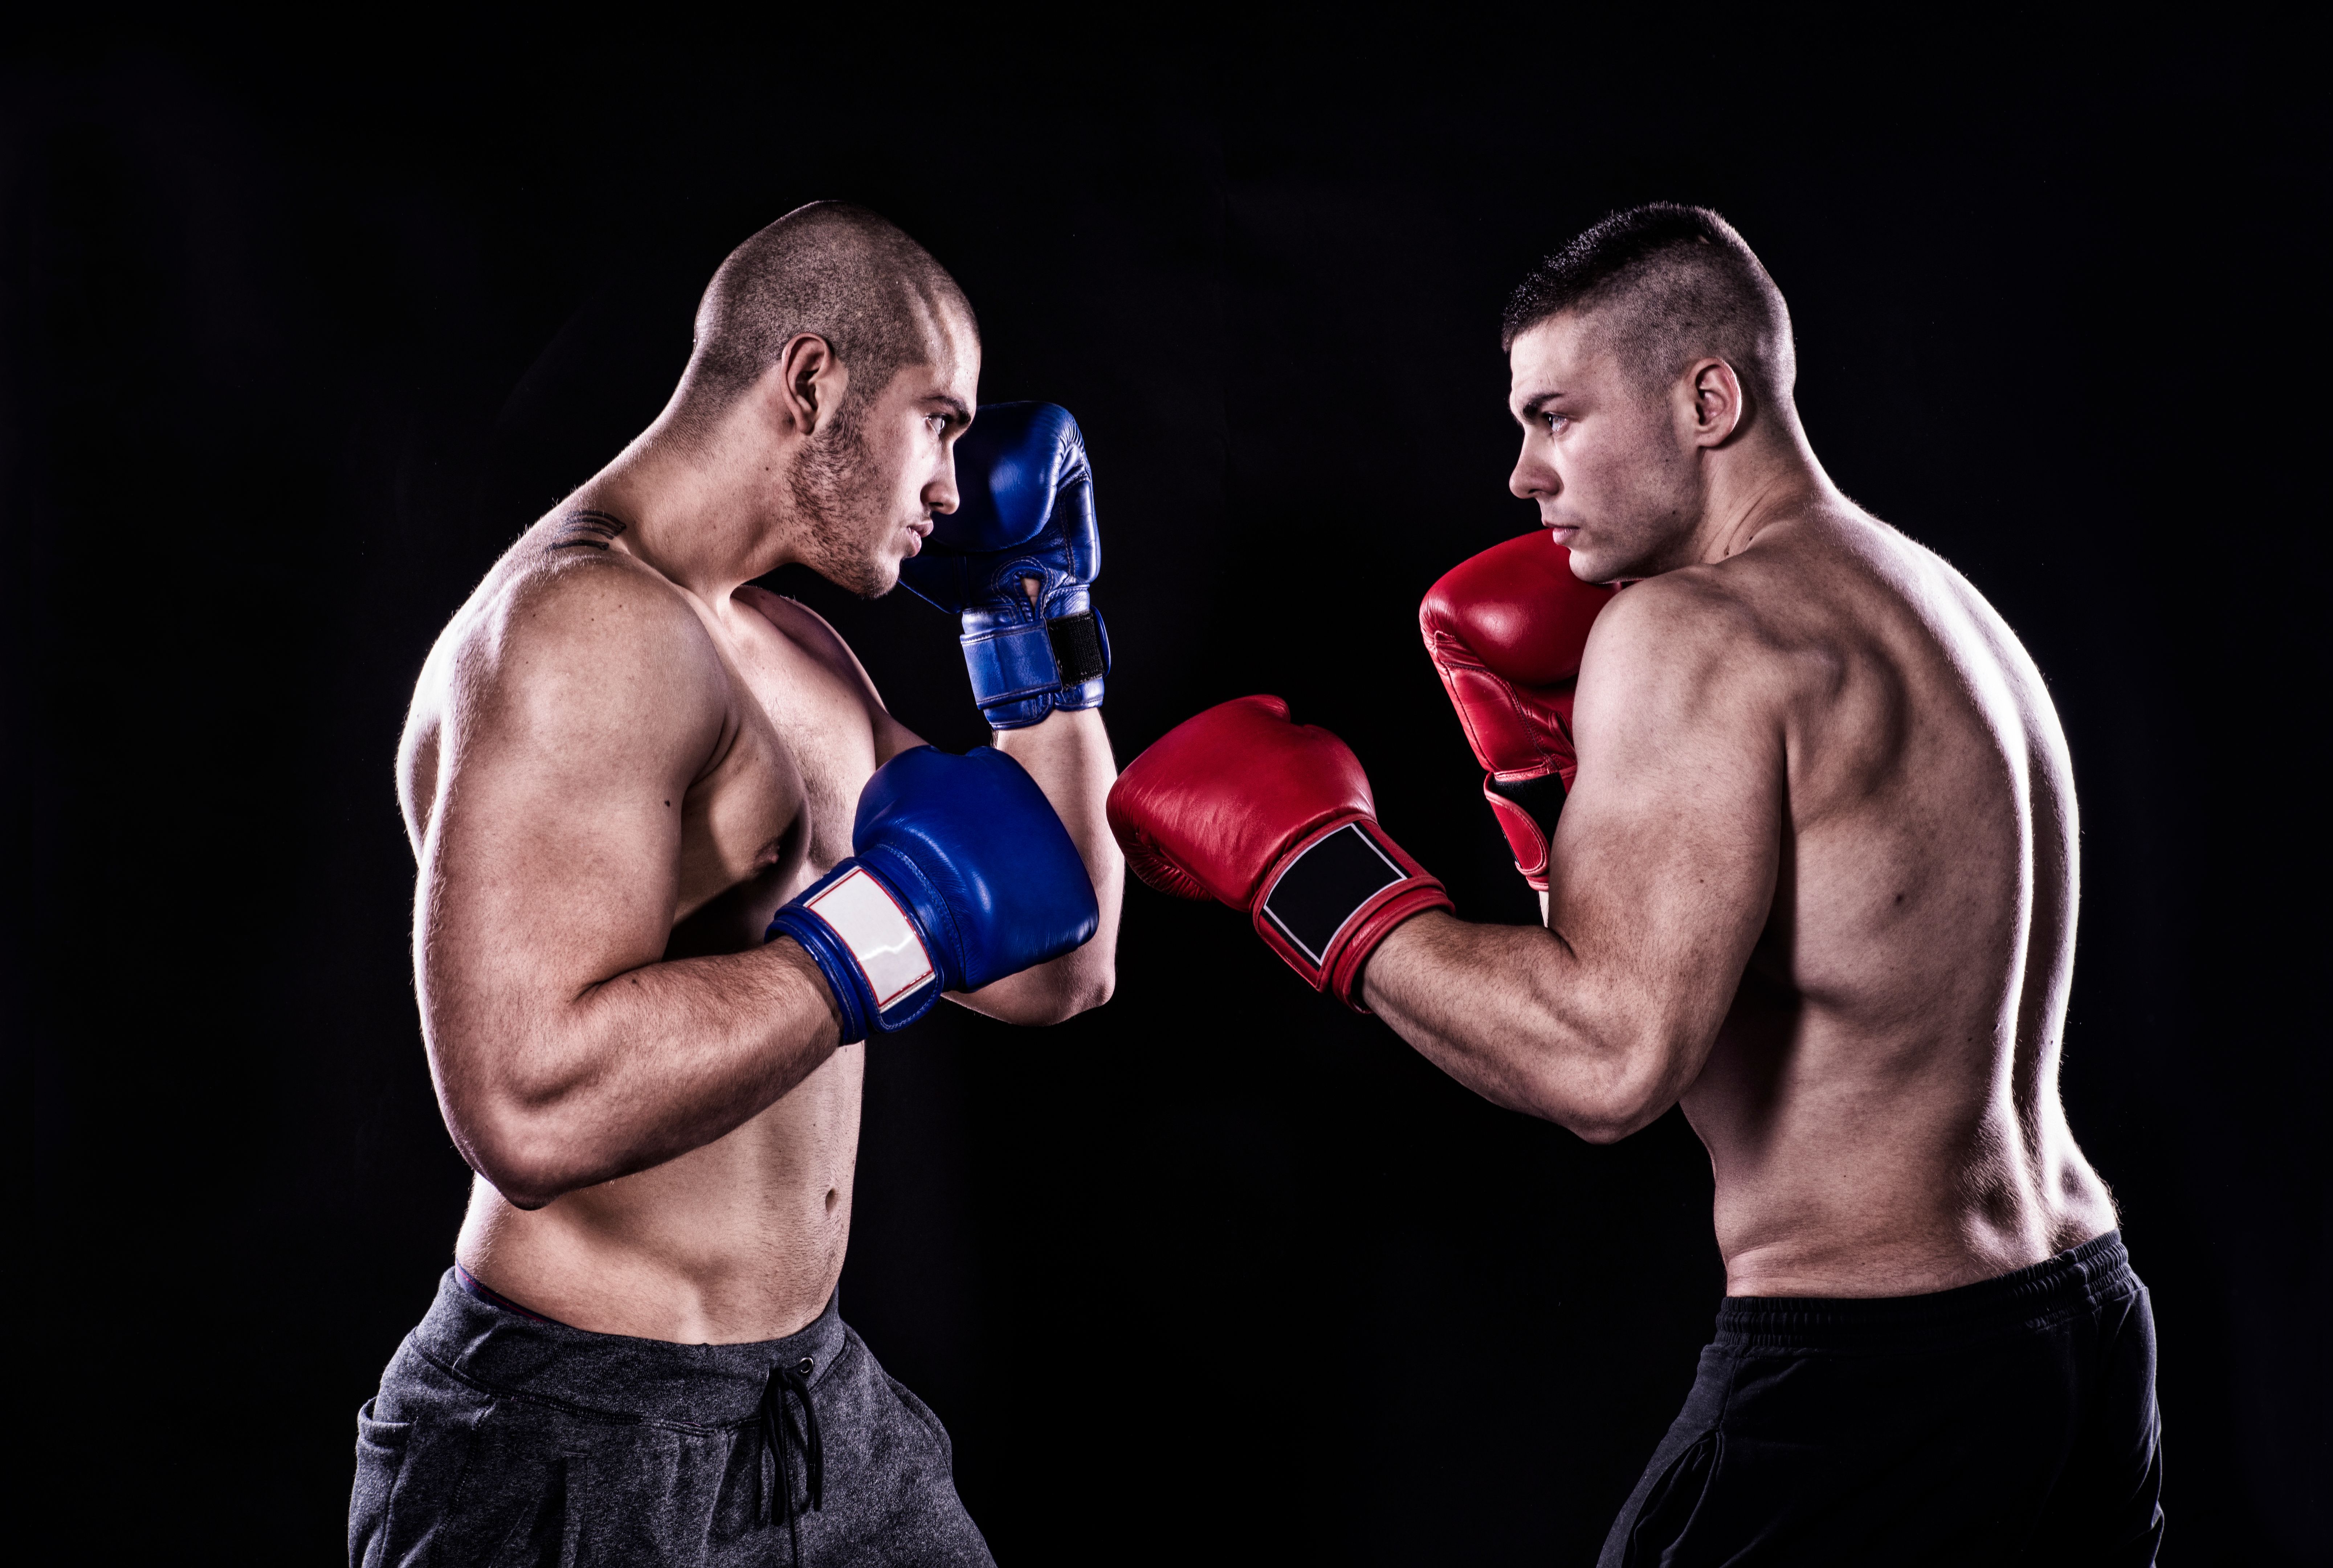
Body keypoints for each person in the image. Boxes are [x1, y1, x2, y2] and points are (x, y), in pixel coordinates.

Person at [1106, 204, 2160, 1563]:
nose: (1522, 473)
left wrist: (1305, 873)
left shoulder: (1691, 633)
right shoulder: (1938, 604)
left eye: (1556, 416)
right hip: (2077, 1326)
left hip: (1868, 1371)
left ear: (1707, 397)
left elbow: (1606, 1062)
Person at [351, 202, 1124, 1568]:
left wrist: (1032, 636)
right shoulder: (579, 625)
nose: (951, 487)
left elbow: (1056, 963)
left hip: (812, 1402)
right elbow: (525, 1110)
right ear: (812, 380)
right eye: (938, 420)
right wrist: (880, 938)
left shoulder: (794, 646)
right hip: (574, 1436)